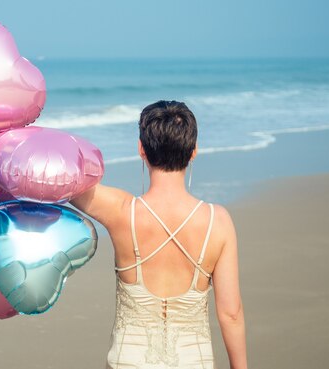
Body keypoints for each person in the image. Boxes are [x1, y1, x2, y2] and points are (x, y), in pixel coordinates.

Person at [70, 100, 247, 369]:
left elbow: (61, 180)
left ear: (141, 150)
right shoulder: (217, 222)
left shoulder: (121, 213)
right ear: (194, 152)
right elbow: (230, 314)